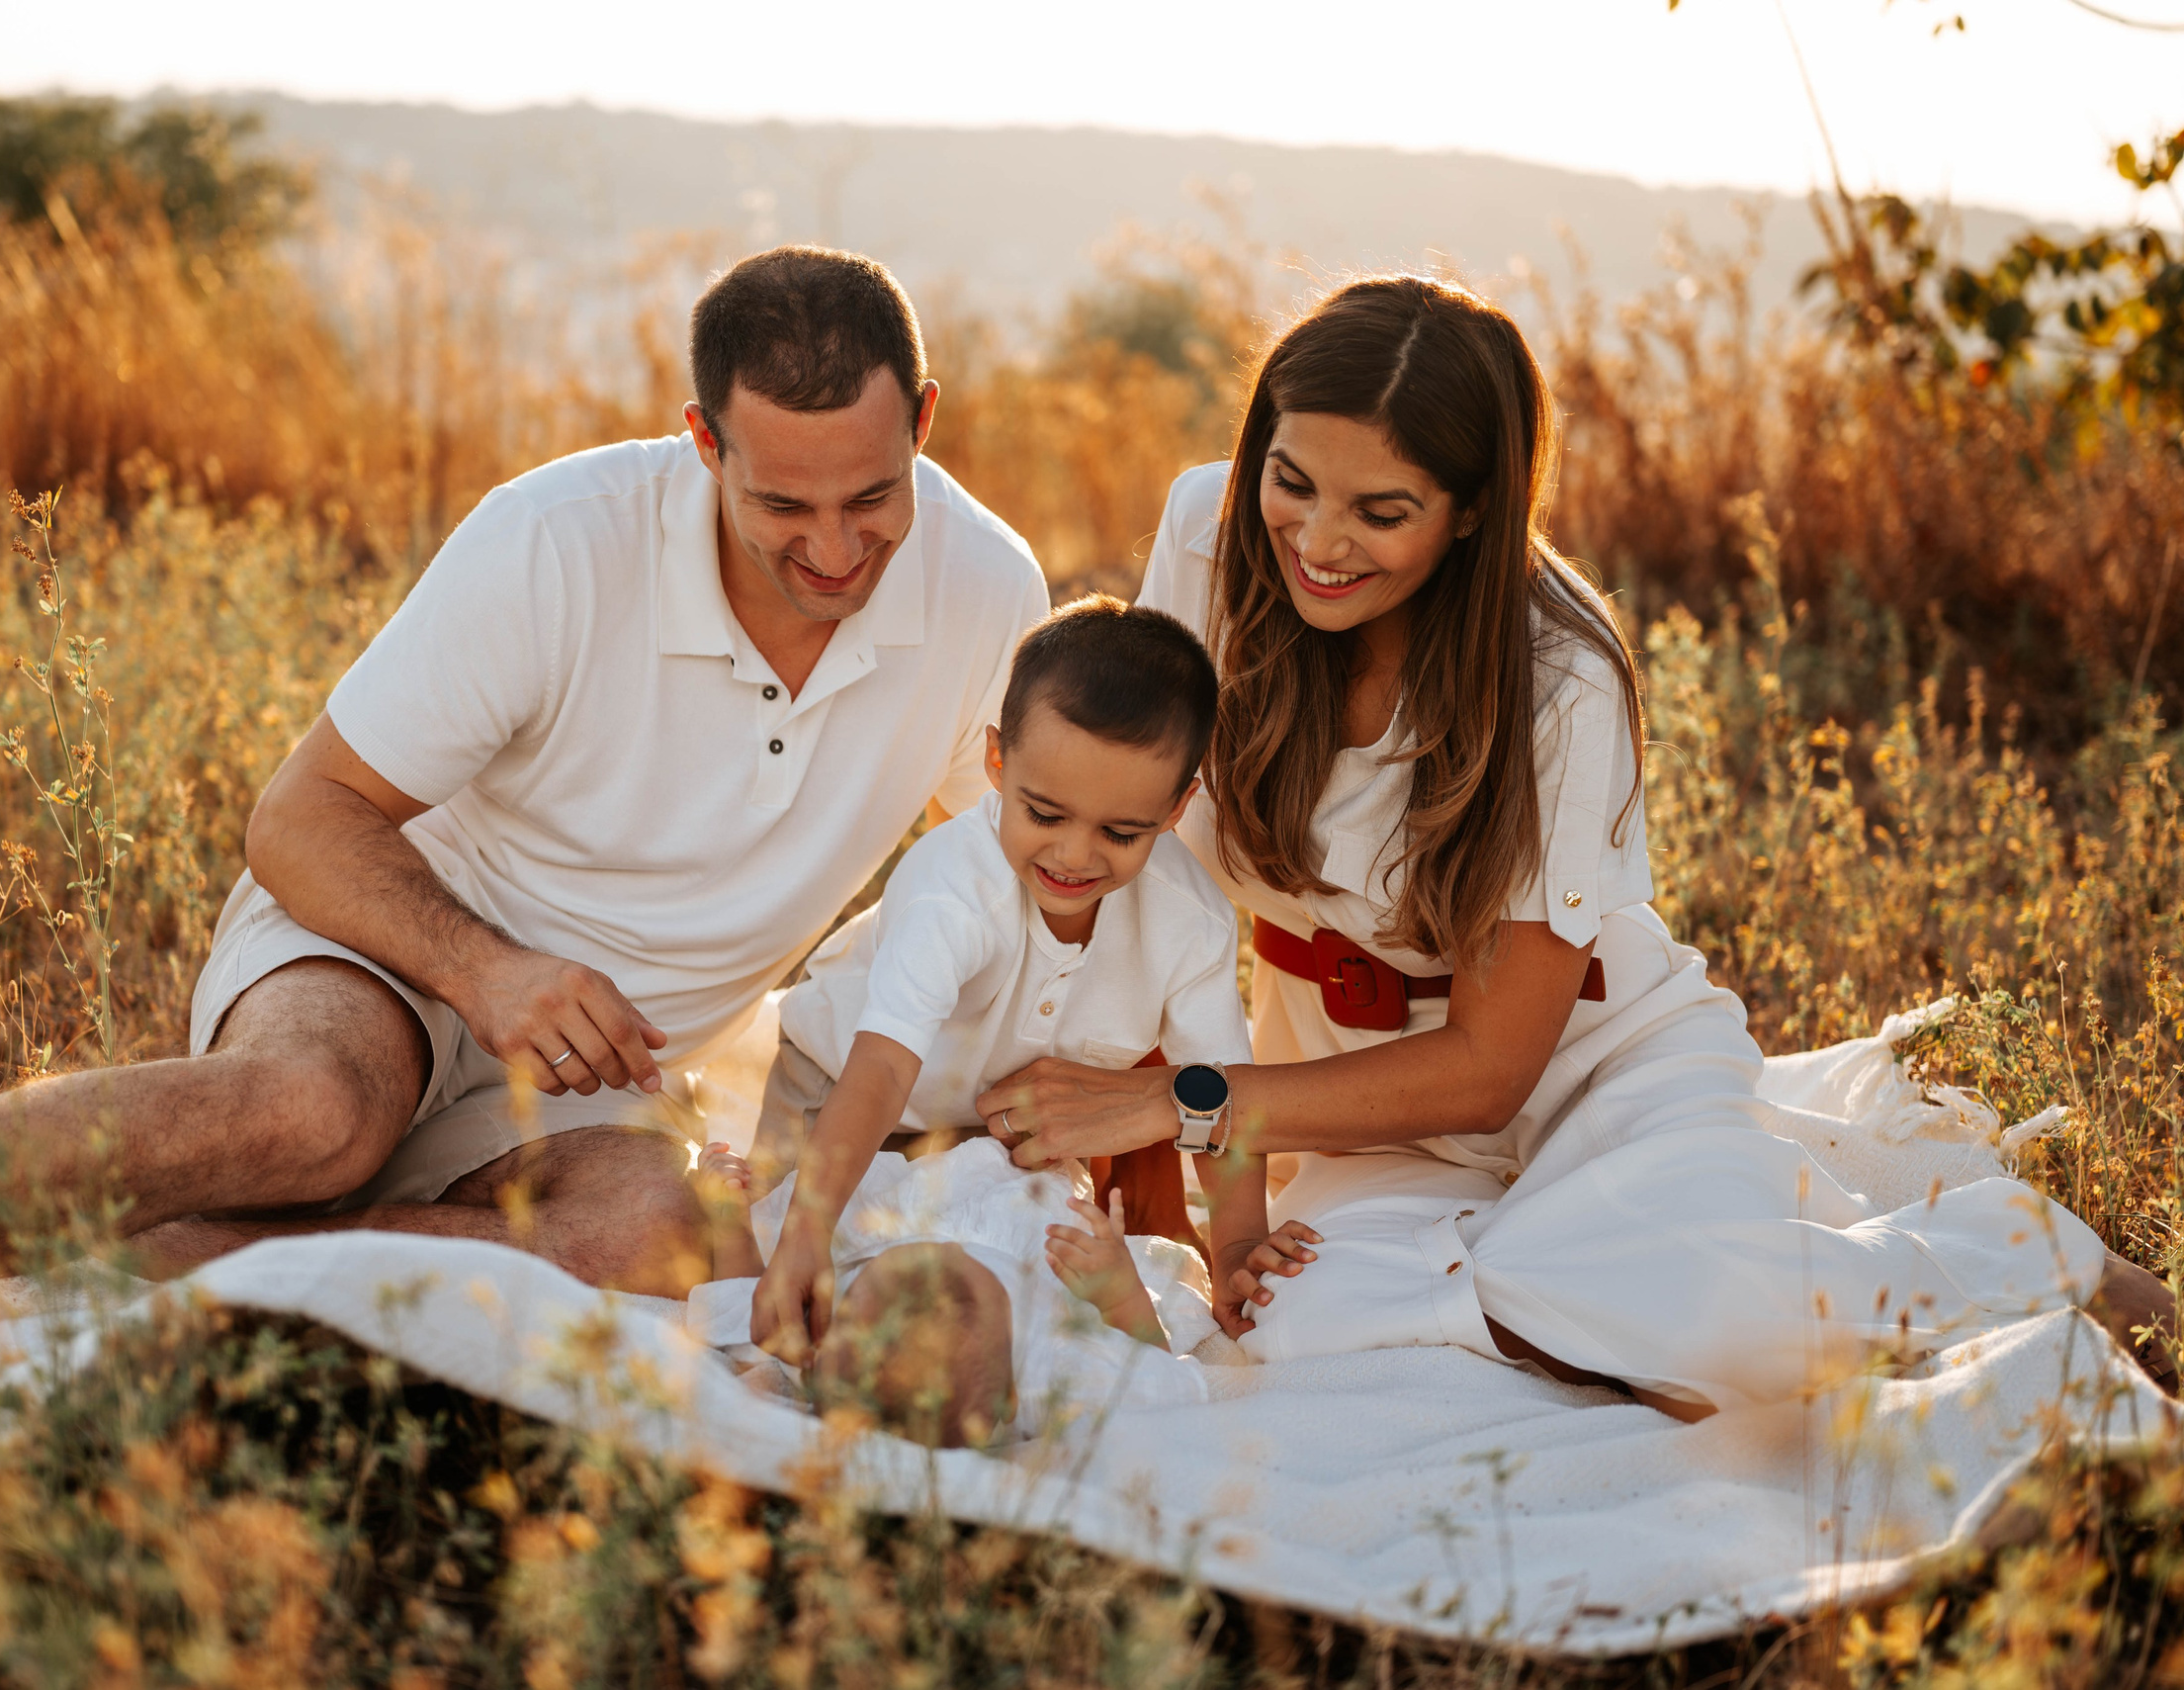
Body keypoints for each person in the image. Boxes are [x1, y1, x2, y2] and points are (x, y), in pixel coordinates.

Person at [0, 245, 1049, 1302]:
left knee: (667, 1241)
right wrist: (491, 974)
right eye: (781, 506)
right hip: (385, 955)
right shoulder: (557, 541)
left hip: (590, 1083)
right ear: (703, 442)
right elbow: (300, 819)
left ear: (923, 419)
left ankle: (190, 1251)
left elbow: (1020, 877)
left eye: (871, 499)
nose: (832, 550)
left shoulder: (988, 592)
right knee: (311, 1111)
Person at [978, 274, 2176, 1418]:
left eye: (1380, 511)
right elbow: (1150, 860)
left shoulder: (1559, 671)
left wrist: (1171, 1105)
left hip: (1586, 1074)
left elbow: (1492, 1068)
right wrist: (1167, 1153)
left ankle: (1993, 1248)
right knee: (1290, 1321)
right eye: (1291, 480)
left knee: (1711, 1338)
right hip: (1340, 1103)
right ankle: (1604, 1269)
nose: (1317, 540)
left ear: (1472, 511)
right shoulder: (1211, 530)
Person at [735, 595, 1266, 1363]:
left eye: (1121, 831)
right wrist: (804, 1239)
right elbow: (880, 1068)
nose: (1075, 855)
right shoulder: (956, 886)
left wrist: (1240, 1243)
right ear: (996, 761)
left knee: (1013, 1299)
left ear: (1178, 807)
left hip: (1000, 1132)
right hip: (844, 1094)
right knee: (797, 1275)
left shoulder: (1190, 919)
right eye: (1044, 812)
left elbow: (1220, 1098)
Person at [687, 1137, 1233, 1448]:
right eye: (970, 1274)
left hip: (896, 1208)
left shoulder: (803, 1345)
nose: (949, 1249)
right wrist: (1119, 1294)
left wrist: (726, 1216)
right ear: (1012, 1400)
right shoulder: (1055, 1370)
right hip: (1031, 1229)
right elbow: (1160, 1377)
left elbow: (743, 1295)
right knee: (1068, 1193)